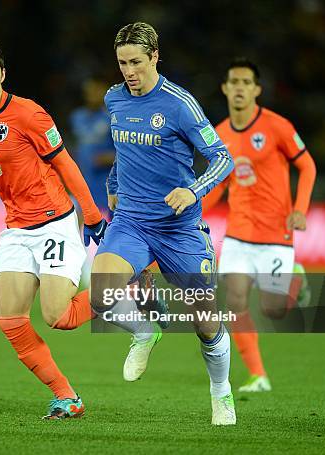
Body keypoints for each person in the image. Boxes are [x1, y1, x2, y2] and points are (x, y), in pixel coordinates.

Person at [0, 38, 108, 420]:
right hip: (17, 229)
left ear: (3, 75)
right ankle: (67, 397)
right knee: (10, 320)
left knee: (58, 316)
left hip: (54, 223)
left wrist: (92, 215)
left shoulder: (29, 114)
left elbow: (65, 164)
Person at [90, 22, 236, 425]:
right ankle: (144, 329)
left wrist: (194, 191)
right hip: (132, 222)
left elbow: (223, 158)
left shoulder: (179, 104)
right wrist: (114, 185)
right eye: (122, 63)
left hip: (178, 228)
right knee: (101, 293)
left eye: (136, 61)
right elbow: (122, 150)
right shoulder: (114, 98)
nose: (128, 71)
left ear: (155, 57)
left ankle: (221, 393)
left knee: (206, 323)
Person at [201, 58, 316, 392]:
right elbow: (220, 184)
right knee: (235, 302)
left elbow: (307, 167)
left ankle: (296, 278)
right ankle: (258, 375)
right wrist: (195, 210)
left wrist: (301, 209)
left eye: (246, 82)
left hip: (276, 233)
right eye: (233, 81)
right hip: (238, 232)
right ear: (225, 87)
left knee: (275, 311)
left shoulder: (277, 126)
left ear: (257, 89)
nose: (239, 87)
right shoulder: (219, 134)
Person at [69, 77, 116, 220]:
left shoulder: (113, 117)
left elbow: (125, 153)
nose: (92, 94)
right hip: (84, 180)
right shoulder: (77, 117)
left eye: (96, 90)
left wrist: (109, 158)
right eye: (89, 91)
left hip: (108, 183)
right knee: (78, 223)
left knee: (112, 225)